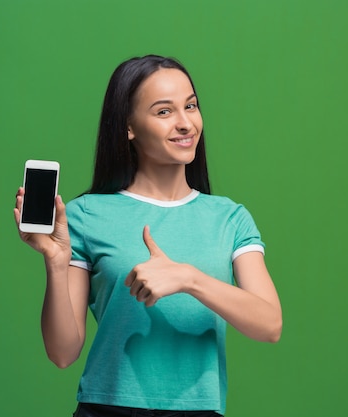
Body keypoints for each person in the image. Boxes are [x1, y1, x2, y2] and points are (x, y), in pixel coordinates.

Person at [14, 55, 282, 417]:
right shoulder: (86, 215)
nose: (186, 123)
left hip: (199, 410)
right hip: (106, 408)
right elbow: (63, 354)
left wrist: (188, 278)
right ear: (128, 127)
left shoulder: (229, 217)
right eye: (164, 112)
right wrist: (57, 263)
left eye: (191, 106)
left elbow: (269, 325)